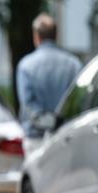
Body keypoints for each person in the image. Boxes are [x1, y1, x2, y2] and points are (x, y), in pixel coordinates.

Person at [15, 13, 83, 153]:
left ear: (36, 37)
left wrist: (47, 122)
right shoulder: (73, 64)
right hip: (66, 137)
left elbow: (28, 104)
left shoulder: (26, 65)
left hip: (35, 138)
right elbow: (78, 101)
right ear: (56, 36)